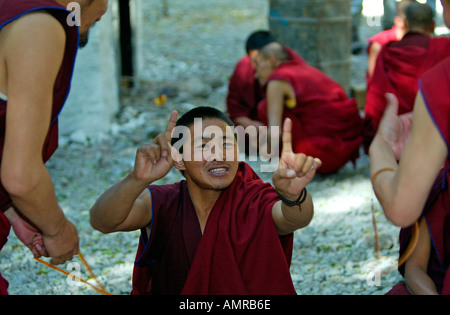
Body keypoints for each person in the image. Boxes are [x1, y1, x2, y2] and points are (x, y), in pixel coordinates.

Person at [90, 106, 322, 295]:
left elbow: (294, 218)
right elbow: (103, 221)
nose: (218, 155)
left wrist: (294, 196)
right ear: (179, 160)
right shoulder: (163, 203)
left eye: (226, 144)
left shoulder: (252, 197)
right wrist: (135, 179)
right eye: (203, 145)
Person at [0, 0, 108, 295]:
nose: (107, 8)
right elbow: (21, 178)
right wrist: (57, 229)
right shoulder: (38, 25)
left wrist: (12, 209)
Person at [369, 0, 450, 295]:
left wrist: (380, 146)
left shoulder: (442, 79)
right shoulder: (440, 56)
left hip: (419, 141)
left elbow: (401, 208)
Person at [253, 42, 363, 175]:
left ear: (271, 60)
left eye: (258, 65)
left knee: (263, 107)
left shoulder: (277, 80)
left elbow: (275, 131)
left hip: (321, 154)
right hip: (347, 148)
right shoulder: (304, 69)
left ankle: (292, 162)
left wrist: (263, 153)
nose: (256, 74)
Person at [363, 2, 450, 152]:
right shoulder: (444, 47)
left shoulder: (388, 50)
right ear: (433, 25)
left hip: (392, 128)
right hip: (431, 128)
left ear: (405, 24)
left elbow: (375, 94)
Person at [226, 30, 306, 131]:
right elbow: (234, 107)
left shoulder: (290, 62)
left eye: (259, 62)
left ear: (271, 59)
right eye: (254, 61)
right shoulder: (244, 68)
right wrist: (250, 124)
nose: (256, 68)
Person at [367, 0, 417, 82]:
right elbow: (375, 79)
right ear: (399, 21)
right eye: (414, 22)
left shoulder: (420, 41)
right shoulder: (380, 43)